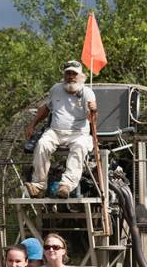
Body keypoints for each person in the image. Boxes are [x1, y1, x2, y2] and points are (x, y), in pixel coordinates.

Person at [24, 60, 98, 198]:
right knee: (42, 145)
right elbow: (46, 109)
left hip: (78, 133)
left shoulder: (88, 93)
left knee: (80, 146)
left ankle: (66, 186)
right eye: (68, 73)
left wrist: (94, 110)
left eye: (74, 74)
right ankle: (38, 186)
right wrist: (32, 124)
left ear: (81, 76)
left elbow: (92, 119)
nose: (70, 76)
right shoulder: (56, 89)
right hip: (55, 132)